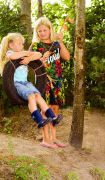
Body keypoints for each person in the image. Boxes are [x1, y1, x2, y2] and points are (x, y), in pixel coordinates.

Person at [0, 33, 63, 149]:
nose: (22, 46)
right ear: (11, 45)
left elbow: (38, 54)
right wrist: (28, 53)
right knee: (31, 97)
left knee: (38, 95)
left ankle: (53, 117)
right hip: (16, 84)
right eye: (19, 44)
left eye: (22, 44)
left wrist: (29, 58)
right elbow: (12, 57)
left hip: (26, 83)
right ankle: (39, 120)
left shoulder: (23, 55)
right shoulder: (11, 53)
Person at [30, 17, 72, 149]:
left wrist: (61, 42)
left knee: (55, 108)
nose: (42, 33)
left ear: (50, 30)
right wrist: (42, 59)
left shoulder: (56, 44)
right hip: (44, 81)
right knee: (46, 108)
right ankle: (46, 138)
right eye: (39, 31)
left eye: (44, 30)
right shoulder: (35, 46)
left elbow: (67, 57)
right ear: (36, 32)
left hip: (57, 80)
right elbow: (32, 65)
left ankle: (54, 137)